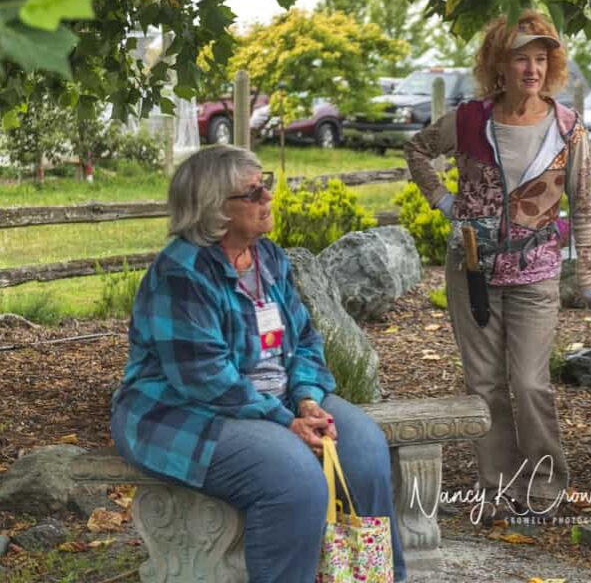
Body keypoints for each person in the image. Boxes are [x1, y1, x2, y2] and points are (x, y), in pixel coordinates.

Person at [110, 145, 406, 583]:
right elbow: (204, 378)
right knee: (295, 477)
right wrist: (285, 420)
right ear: (214, 209)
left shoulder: (268, 258)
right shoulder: (182, 272)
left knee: (364, 450)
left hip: (277, 399)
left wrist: (306, 400)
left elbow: (305, 340)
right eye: (252, 192)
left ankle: (373, 579)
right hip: (179, 411)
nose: (267, 197)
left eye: (264, 184)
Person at [405, 10, 591, 517]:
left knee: (531, 383)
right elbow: (418, 150)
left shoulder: (567, 128)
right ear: (501, 64)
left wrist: (589, 274)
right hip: (472, 269)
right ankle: (496, 487)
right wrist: (442, 199)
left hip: (535, 272)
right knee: (485, 383)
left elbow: (582, 205)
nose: (532, 70)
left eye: (541, 59)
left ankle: (544, 487)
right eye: (521, 59)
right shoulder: (471, 120)